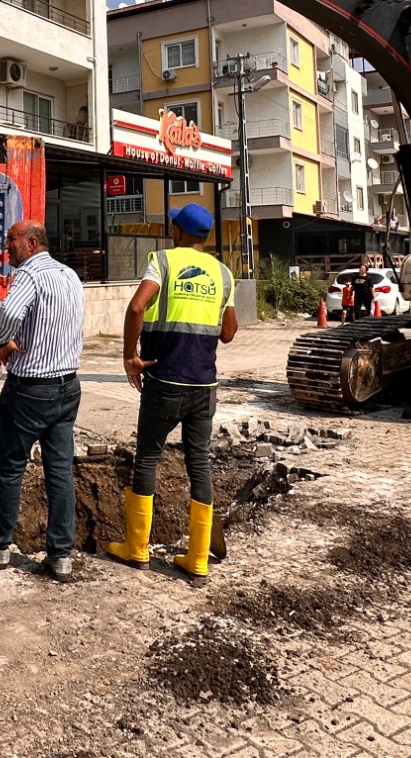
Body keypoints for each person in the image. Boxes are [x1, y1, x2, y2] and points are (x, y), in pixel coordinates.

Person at [108, 204, 238, 586]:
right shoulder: (223, 272)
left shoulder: (162, 262)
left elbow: (137, 306)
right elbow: (229, 333)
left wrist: (131, 357)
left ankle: (137, 548)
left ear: (178, 231)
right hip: (204, 384)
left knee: (148, 456)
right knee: (199, 460)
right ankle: (197, 559)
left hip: (165, 380)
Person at [0, 219, 85, 583]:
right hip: (67, 387)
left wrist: (1, 341)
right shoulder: (70, 275)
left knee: (10, 467)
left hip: (30, 389)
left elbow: (7, 314)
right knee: (59, 469)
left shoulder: (30, 275)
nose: (7, 247)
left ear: (32, 242)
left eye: (12, 240)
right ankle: (61, 556)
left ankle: (0, 546)